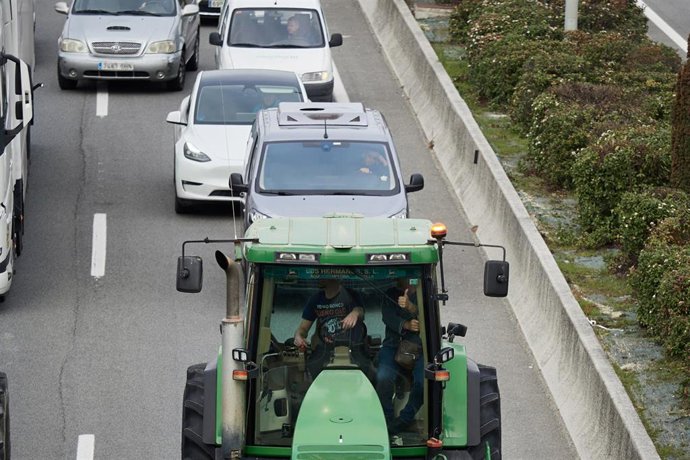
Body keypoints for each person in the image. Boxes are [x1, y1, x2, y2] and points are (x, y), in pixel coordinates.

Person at [376, 278, 424, 435]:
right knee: (383, 377)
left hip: (420, 348)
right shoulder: (390, 294)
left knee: (424, 383)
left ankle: (404, 420)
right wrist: (406, 324)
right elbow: (387, 317)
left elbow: (429, 316)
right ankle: (387, 421)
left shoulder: (424, 293)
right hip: (392, 346)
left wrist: (411, 307)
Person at [293, 279, 366, 379]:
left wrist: (355, 313)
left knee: (367, 368)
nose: (319, 277)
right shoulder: (315, 299)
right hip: (325, 348)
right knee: (313, 365)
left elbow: (360, 310)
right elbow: (303, 329)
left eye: (323, 275)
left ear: (336, 277)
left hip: (352, 346)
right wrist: (298, 336)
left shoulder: (351, 295)